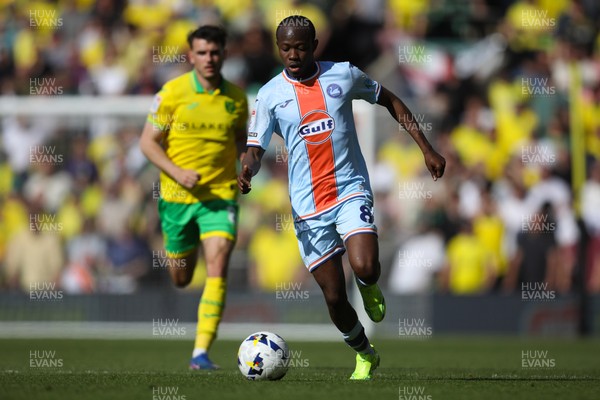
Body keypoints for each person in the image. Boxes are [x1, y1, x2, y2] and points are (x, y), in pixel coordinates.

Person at [238, 15, 445, 380]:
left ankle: (369, 286)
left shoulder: (343, 74)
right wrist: (247, 170)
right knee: (333, 296)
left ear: (315, 46)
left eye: (300, 47)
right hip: (307, 209)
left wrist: (426, 149)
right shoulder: (270, 95)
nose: (292, 54)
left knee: (365, 266)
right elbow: (255, 149)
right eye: (285, 48)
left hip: (349, 190)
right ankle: (364, 353)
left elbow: (390, 100)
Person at [140, 25, 248, 370]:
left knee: (217, 264)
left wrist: (245, 166)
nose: (209, 59)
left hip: (220, 197)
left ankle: (200, 353)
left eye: (215, 52)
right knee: (182, 278)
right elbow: (147, 143)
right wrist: (177, 172)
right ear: (191, 56)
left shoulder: (236, 98)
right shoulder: (171, 94)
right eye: (202, 52)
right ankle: (185, 264)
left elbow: (242, 141)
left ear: (224, 54)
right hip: (177, 198)